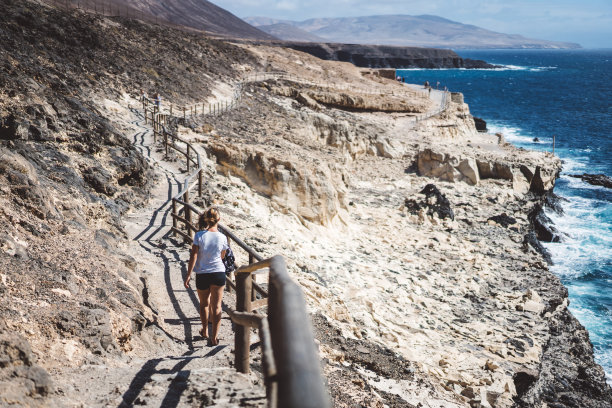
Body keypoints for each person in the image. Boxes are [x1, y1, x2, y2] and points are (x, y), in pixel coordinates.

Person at [184, 207, 229, 346]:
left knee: (204, 304)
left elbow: (194, 255)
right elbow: (223, 256)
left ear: (206, 219)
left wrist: (188, 274)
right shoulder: (222, 237)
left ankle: (204, 331)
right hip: (218, 273)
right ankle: (214, 337)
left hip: (202, 274)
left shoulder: (199, 235)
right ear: (219, 220)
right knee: (217, 307)